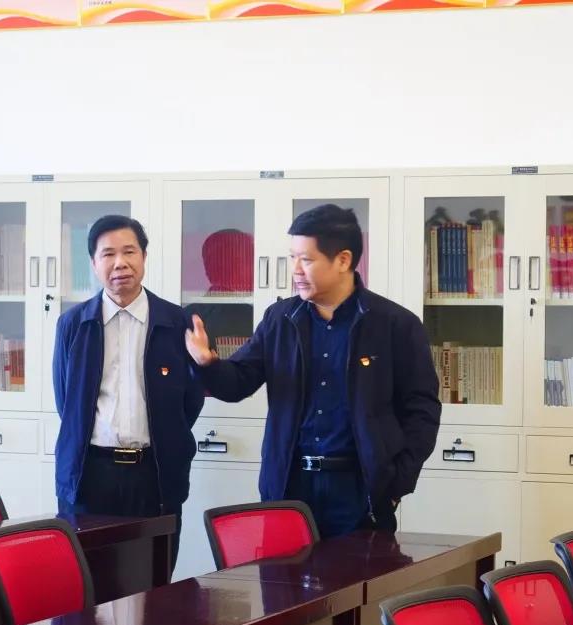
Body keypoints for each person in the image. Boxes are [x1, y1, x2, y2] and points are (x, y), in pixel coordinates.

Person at [185, 204, 439, 538]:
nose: (295, 270)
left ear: (343, 260)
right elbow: (238, 382)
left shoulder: (395, 324)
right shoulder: (280, 319)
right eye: (292, 257)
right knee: (281, 573)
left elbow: (422, 410)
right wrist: (207, 363)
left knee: (359, 573)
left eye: (306, 259)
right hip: (289, 486)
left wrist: (395, 483)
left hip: (358, 490)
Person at [53, 214, 203, 573]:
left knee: (153, 580)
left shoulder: (176, 322)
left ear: (144, 257)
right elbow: (66, 401)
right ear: (94, 263)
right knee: (89, 582)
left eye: (129, 252)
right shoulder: (73, 324)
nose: (120, 263)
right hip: (90, 474)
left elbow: (190, 400)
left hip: (155, 474)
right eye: (108, 254)